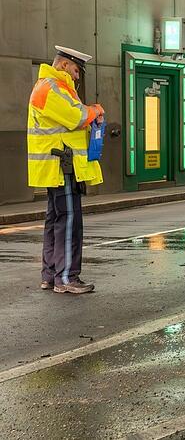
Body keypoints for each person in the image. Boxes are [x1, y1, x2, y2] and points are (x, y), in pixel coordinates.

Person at [27, 46, 104, 294]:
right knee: (69, 222)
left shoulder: (53, 87)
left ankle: (50, 275)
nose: (78, 76)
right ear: (63, 65)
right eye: (76, 69)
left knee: (56, 221)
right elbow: (76, 117)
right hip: (63, 166)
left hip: (58, 166)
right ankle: (67, 277)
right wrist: (97, 110)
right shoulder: (51, 88)